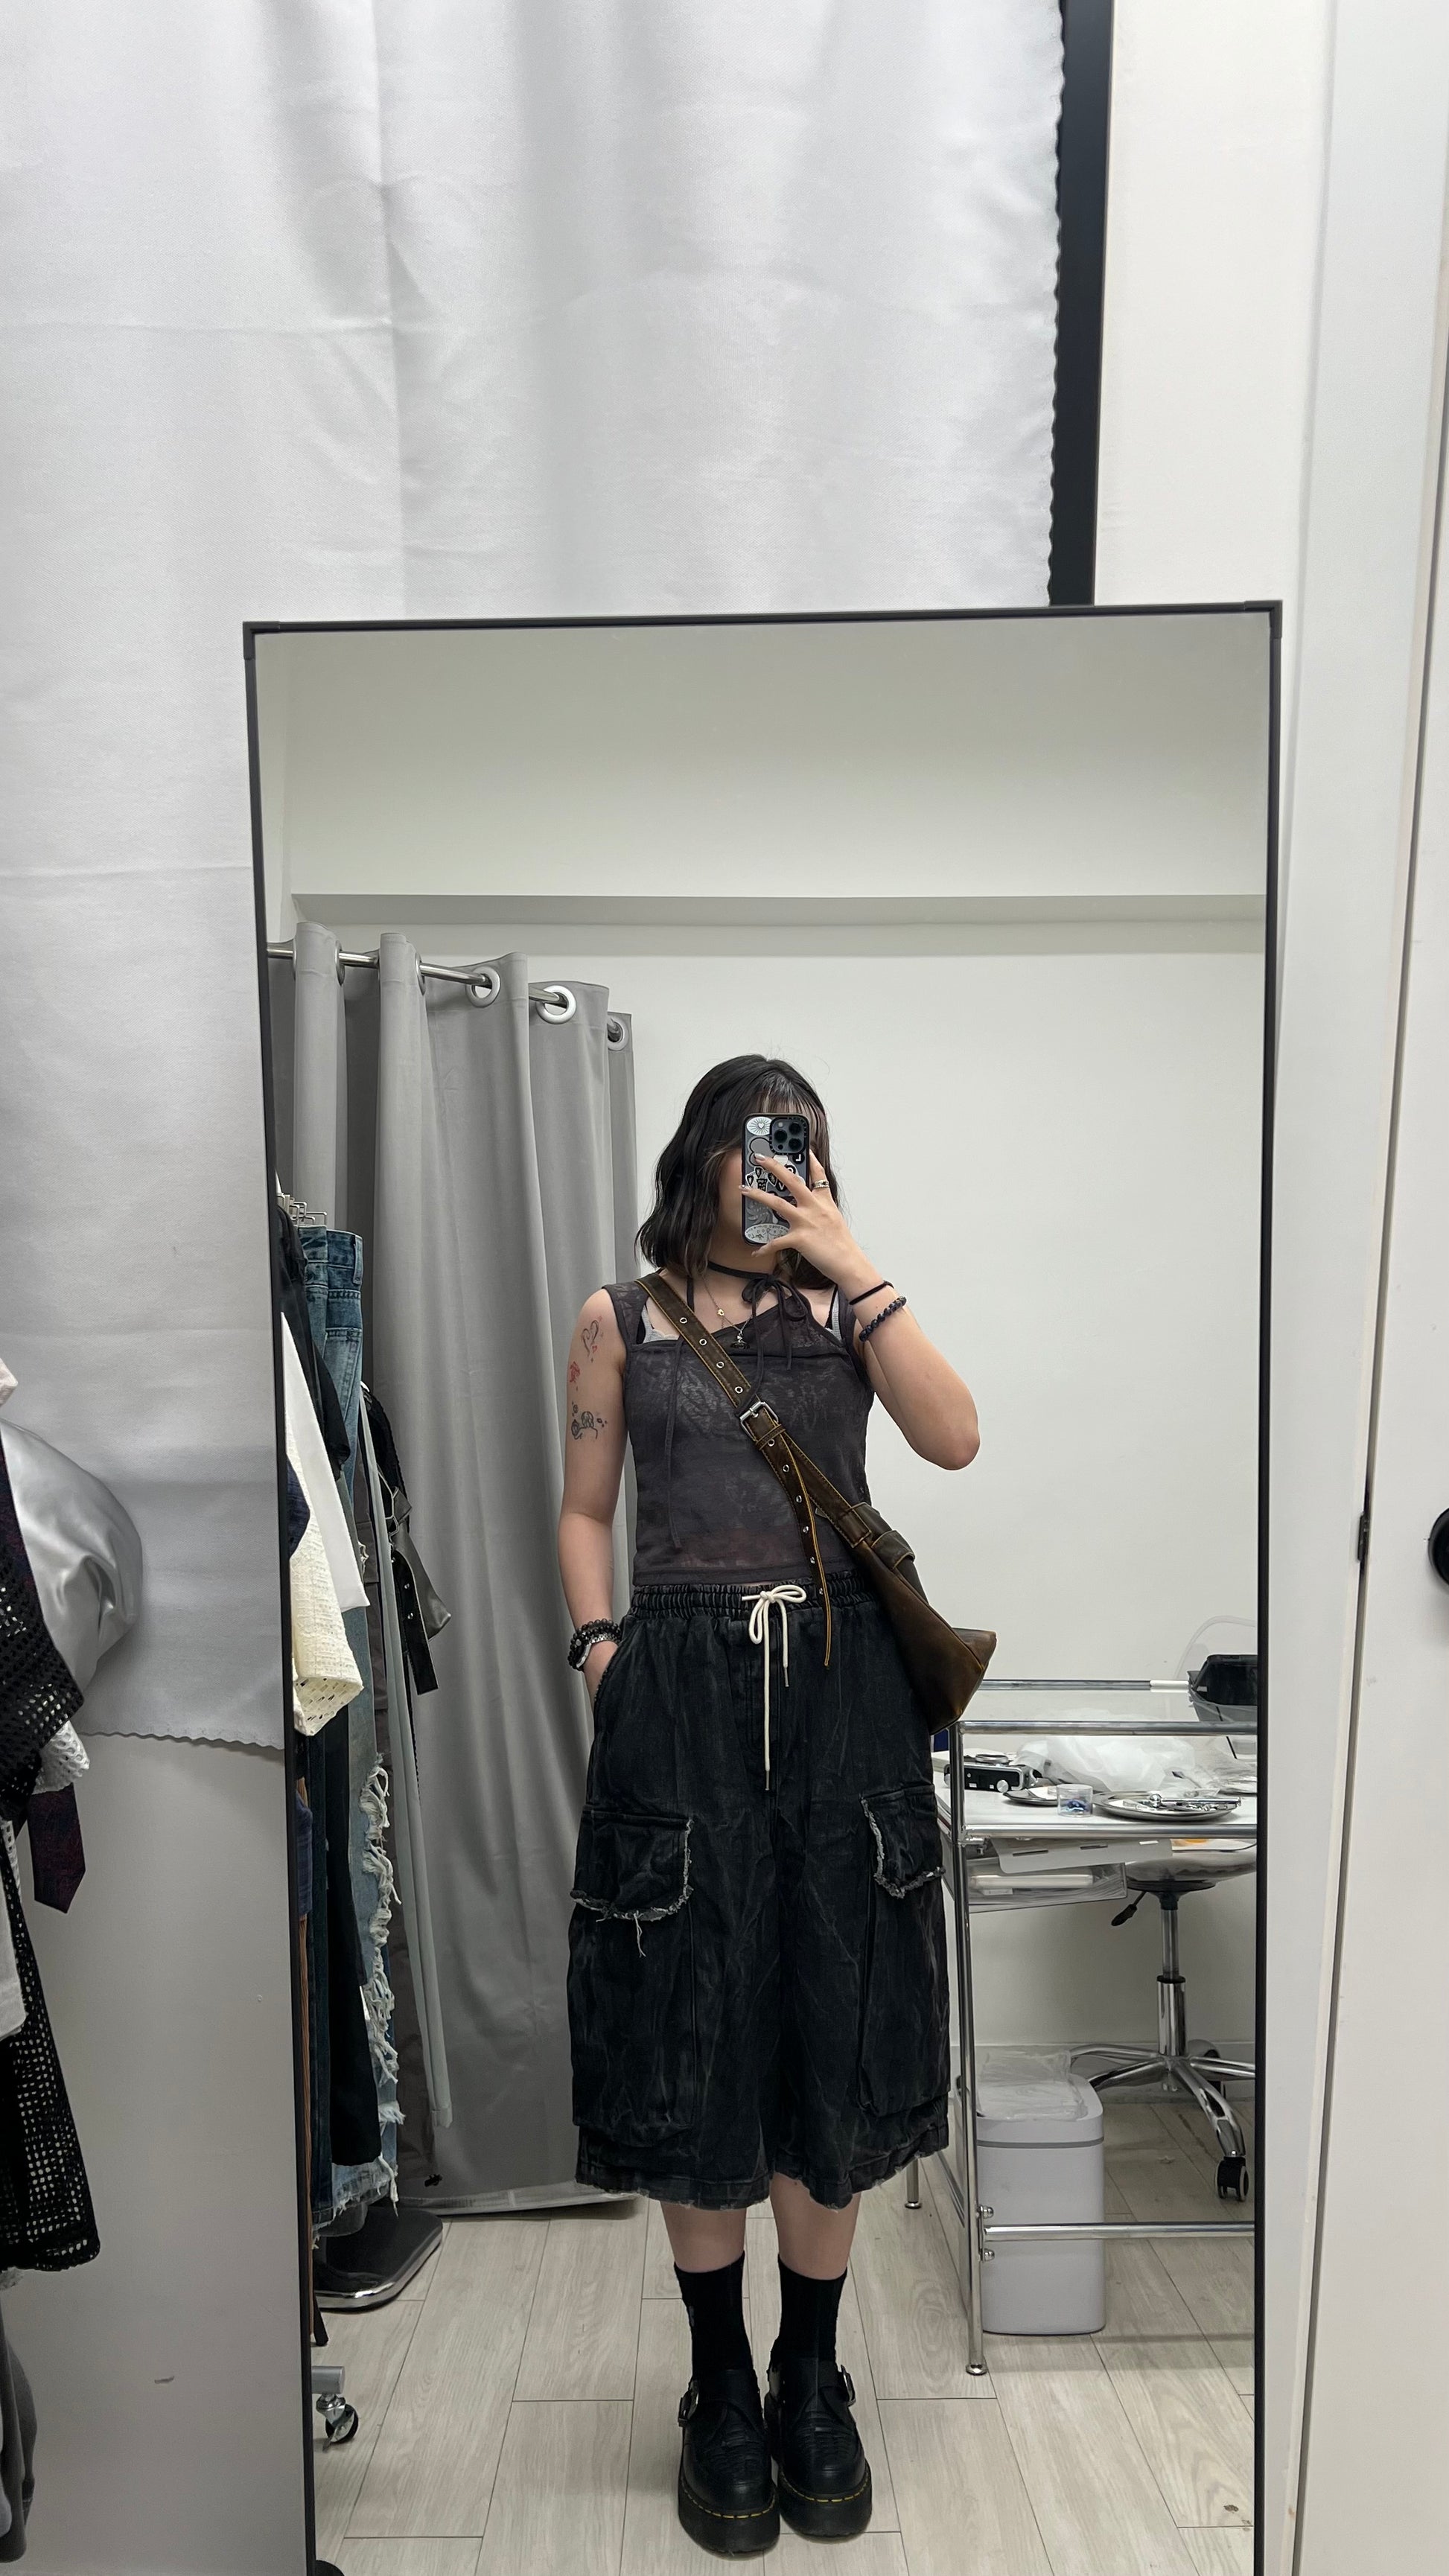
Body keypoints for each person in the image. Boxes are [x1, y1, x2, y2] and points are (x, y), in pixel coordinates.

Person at [558, 1053, 980, 2555]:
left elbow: (954, 1435)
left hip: (842, 1693)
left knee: (833, 2022)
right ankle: (718, 2382)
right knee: (691, 2024)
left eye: (799, 1146)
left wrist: (853, 1263)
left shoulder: (850, 1311)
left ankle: (810, 2373)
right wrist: (601, 1647)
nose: (777, 1168)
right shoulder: (618, 1318)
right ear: (702, 1156)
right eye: (755, 1144)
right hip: (677, 1690)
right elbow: (585, 1507)